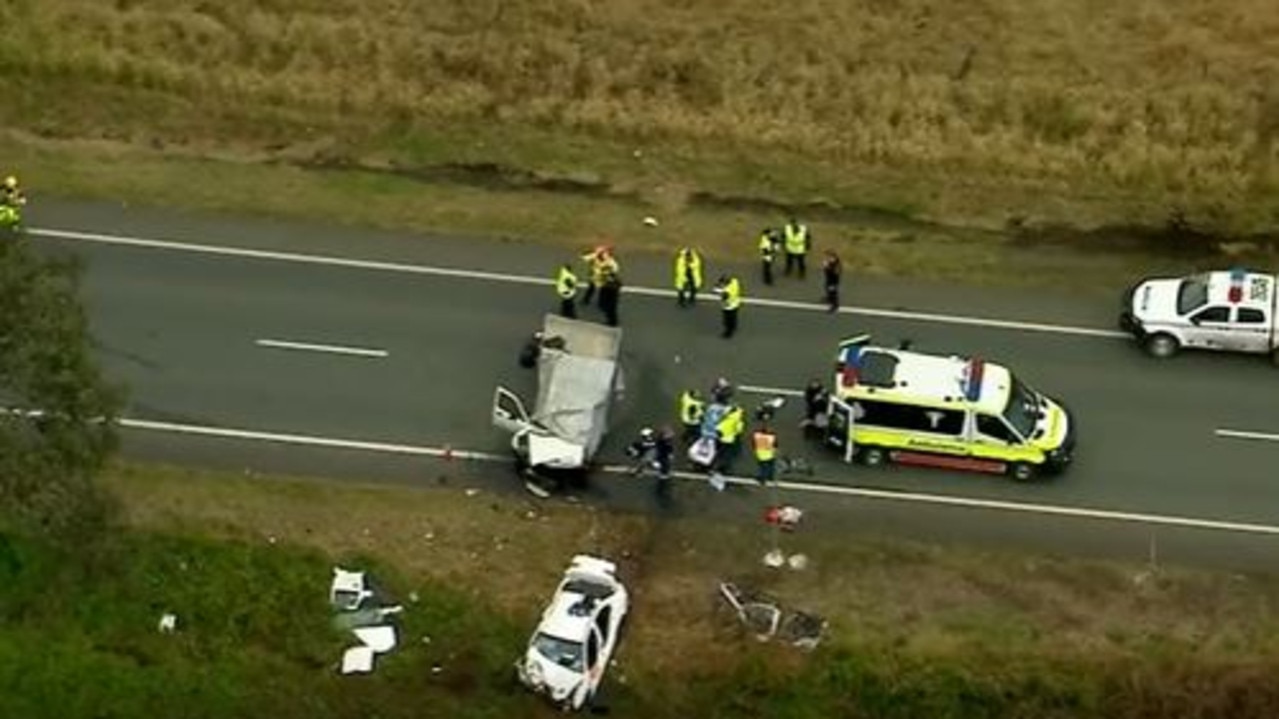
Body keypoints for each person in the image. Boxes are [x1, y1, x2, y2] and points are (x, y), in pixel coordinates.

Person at [714, 274, 742, 339]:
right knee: (734, 317)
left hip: (728, 306)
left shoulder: (727, 291)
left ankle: (728, 332)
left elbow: (724, 297)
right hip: (736, 303)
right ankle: (734, 326)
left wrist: (718, 290)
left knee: (728, 320)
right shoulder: (735, 282)